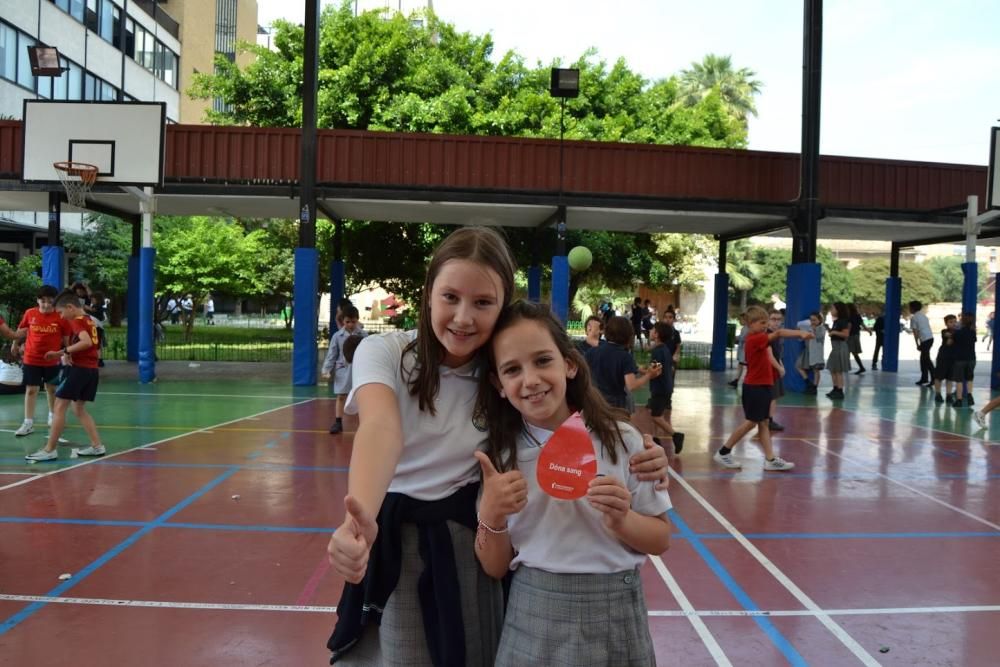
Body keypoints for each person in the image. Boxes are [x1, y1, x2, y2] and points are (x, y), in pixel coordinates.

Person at [324, 227, 669, 665]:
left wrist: (639, 447)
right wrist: (361, 521)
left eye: (483, 303)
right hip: (400, 535)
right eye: (450, 297)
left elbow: (561, 406)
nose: (464, 317)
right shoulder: (386, 351)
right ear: (429, 293)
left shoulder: (501, 366)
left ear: (501, 305)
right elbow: (381, 429)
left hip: (470, 540)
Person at [475, 300, 671, 667]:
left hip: (616, 615)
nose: (530, 379)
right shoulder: (499, 457)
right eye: (512, 370)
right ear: (498, 384)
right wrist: (491, 514)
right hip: (532, 614)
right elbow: (494, 566)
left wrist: (621, 520)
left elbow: (661, 539)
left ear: (568, 364)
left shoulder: (624, 440)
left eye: (542, 360)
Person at [713, 306, 812, 471]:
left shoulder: (760, 337)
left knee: (764, 423)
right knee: (751, 423)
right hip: (754, 388)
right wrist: (800, 333)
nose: (765, 325)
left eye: (766, 322)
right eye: (762, 322)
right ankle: (724, 452)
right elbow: (779, 333)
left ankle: (770, 459)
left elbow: (772, 348)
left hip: (763, 386)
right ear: (750, 324)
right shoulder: (754, 339)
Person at [24, 289, 105, 461]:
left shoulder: (76, 321)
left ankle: (49, 450)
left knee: (59, 407)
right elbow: (93, 348)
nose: (60, 316)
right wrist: (70, 354)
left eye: (61, 312)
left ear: (70, 307)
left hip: (79, 370)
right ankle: (97, 446)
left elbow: (86, 342)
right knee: (78, 409)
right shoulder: (89, 320)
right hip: (91, 370)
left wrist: (62, 352)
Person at [11, 285, 70, 437]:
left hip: (52, 360)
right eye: (42, 301)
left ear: (55, 302)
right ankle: (28, 423)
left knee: (51, 389)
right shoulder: (30, 313)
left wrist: (69, 353)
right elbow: (21, 330)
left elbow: (66, 339)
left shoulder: (60, 316)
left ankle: (52, 416)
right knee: (31, 390)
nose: (46, 305)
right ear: (38, 300)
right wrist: (15, 344)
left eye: (50, 302)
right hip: (31, 358)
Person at [584, 316, 662, 412]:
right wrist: (649, 375)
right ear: (628, 335)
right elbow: (631, 385)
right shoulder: (625, 357)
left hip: (594, 403)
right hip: (615, 406)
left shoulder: (591, 352)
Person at [322, 304, 367, 435]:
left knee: (361, 397)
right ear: (343, 321)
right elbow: (332, 354)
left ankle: (364, 423)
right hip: (343, 370)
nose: (351, 324)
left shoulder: (364, 335)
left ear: (357, 320)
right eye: (348, 322)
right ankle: (338, 422)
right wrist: (326, 369)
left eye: (354, 321)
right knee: (341, 396)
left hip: (359, 370)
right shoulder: (337, 336)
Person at [649, 321, 684, 455]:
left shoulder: (657, 352)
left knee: (656, 417)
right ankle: (655, 439)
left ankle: (676, 435)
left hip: (660, 388)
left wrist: (641, 371)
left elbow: (655, 370)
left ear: (657, 335)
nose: (650, 331)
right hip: (666, 387)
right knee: (657, 413)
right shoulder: (664, 349)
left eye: (653, 330)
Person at [766, 310, 787, 431]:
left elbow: (777, 355)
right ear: (768, 321)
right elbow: (769, 356)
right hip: (770, 372)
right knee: (772, 397)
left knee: (773, 397)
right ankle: (769, 421)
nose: (776, 322)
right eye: (773, 319)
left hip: (774, 370)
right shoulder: (769, 336)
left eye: (779, 319)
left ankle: (767, 419)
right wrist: (779, 368)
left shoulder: (777, 336)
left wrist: (781, 365)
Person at [950, 312, 976, 408]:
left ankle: (959, 400)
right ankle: (969, 395)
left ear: (962, 321)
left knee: (959, 381)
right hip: (971, 358)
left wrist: (953, 331)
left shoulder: (958, 332)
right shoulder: (973, 332)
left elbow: (951, 342)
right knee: (969, 378)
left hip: (960, 359)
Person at [796, 312, 826, 394]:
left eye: (814, 320)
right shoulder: (808, 327)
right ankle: (808, 382)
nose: (812, 322)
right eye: (811, 320)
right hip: (807, 350)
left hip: (816, 352)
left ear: (819, 320)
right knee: (799, 366)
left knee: (816, 370)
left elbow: (819, 337)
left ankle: (814, 387)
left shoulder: (821, 328)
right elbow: (802, 338)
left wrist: (812, 330)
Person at [826, 303, 850, 400]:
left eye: (833, 308)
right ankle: (835, 388)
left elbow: (845, 334)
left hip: (840, 347)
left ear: (839, 310)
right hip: (835, 347)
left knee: (838, 370)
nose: (831, 310)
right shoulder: (836, 321)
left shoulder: (843, 321)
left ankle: (840, 391)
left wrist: (834, 332)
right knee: (833, 369)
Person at [932, 315, 957, 404]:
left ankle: (949, 395)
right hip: (943, 356)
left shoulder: (958, 332)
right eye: (951, 322)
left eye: (955, 321)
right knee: (939, 376)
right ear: (946, 323)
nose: (953, 324)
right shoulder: (944, 332)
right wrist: (955, 334)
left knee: (950, 377)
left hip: (953, 357)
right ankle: (938, 394)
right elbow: (949, 342)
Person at [910, 300, 935, 386]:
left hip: (925, 340)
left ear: (912, 308)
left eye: (910, 307)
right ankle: (924, 378)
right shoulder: (924, 316)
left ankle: (934, 378)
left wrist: (917, 344)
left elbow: (915, 332)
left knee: (926, 360)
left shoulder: (914, 318)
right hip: (930, 338)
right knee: (923, 359)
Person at [728, 313, 748, 387]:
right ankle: (738, 380)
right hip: (743, 350)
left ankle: (739, 381)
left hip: (744, 351)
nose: (739, 321)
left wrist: (737, 338)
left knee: (743, 366)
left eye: (741, 320)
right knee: (741, 365)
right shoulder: (745, 328)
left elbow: (743, 338)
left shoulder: (746, 328)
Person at [847, 303, 867, 374]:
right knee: (853, 352)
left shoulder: (849, 317)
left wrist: (846, 335)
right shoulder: (857, 316)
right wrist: (868, 330)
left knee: (849, 351)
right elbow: (862, 324)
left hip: (851, 336)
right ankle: (860, 367)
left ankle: (848, 367)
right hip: (857, 335)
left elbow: (849, 326)